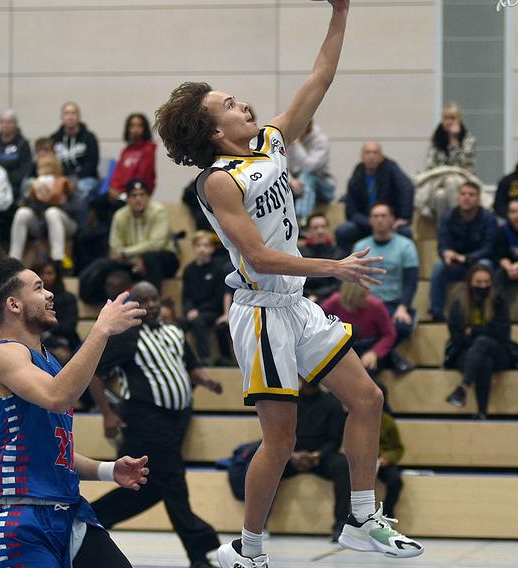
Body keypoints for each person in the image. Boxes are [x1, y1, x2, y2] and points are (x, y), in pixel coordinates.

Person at [154, 1, 424, 564]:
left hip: (297, 305)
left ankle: (361, 517)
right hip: (259, 312)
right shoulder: (218, 182)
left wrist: (340, 12)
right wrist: (336, 267)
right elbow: (256, 257)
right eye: (229, 104)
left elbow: (321, 75)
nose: (243, 104)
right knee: (281, 440)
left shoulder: (273, 142)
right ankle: (249, 550)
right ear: (213, 130)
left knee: (368, 398)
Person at [0, 236, 147, 567]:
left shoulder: (47, 362)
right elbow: (58, 397)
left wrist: (107, 470)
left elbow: (53, 450)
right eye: (39, 288)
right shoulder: (2, 355)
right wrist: (99, 331)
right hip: (20, 521)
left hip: (68, 513)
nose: (50, 293)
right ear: (14, 304)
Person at [88, 282, 224, 568]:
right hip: (145, 417)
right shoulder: (127, 337)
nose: (150, 305)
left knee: (148, 486)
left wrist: (206, 381)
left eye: (154, 299)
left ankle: (90, 519)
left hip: (177, 420)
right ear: (133, 306)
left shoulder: (174, 331)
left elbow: (188, 364)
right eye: (143, 300)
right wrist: (108, 414)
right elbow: (95, 374)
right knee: (173, 481)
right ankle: (200, 549)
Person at [79, 179, 179, 305]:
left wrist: (127, 253)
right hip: (131, 261)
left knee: (150, 258)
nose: (138, 199)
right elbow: (115, 248)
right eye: (134, 195)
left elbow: (156, 244)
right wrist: (131, 258)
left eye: (142, 195)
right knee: (101, 265)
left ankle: (152, 303)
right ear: (127, 199)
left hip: (164, 259)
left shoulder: (158, 211)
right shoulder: (120, 215)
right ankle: (96, 301)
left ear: (148, 197)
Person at [443, 264, 518, 419]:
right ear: (470, 283)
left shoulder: (498, 300)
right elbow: (457, 337)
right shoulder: (459, 304)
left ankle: (463, 388)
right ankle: (482, 412)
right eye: (479, 282)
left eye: (486, 282)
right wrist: (485, 331)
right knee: (483, 360)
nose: (483, 286)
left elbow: (502, 334)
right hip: (466, 352)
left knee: (483, 342)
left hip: (498, 350)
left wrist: (473, 331)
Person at [354, 202, 419, 373]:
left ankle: (374, 352)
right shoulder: (361, 247)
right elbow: (354, 281)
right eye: (376, 216)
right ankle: (390, 357)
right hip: (367, 305)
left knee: (402, 326)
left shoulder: (406, 246)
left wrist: (403, 307)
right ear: (370, 220)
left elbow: (411, 281)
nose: (380, 220)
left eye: (384, 216)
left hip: (394, 304)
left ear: (392, 219)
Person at [284, 380, 350, 542]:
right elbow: (277, 433)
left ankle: (340, 524)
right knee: (267, 465)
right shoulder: (287, 401)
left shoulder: (332, 403)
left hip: (321, 457)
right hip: (289, 455)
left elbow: (335, 439)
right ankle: (259, 525)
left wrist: (316, 455)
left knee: (343, 465)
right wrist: (292, 455)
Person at [429, 181, 498, 321]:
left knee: (487, 264)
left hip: (477, 263)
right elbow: (442, 244)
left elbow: (489, 248)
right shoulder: (448, 217)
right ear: (458, 198)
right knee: (439, 267)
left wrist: (467, 258)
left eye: (471, 195)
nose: (466, 198)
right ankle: (437, 313)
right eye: (463, 194)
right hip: (456, 264)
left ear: (479, 199)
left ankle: (489, 312)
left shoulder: (488, 218)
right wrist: (446, 253)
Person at [335, 142, 414, 252]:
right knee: (343, 231)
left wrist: (404, 217)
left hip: (389, 222)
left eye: (375, 153)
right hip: (365, 222)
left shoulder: (391, 168)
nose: (372, 156)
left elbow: (407, 188)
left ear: (382, 156)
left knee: (406, 231)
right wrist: (370, 222)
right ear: (362, 157)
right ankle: (348, 266)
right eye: (368, 153)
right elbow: (351, 212)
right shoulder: (357, 174)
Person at [8, 153, 77, 266]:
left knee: (52, 212)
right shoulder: (33, 183)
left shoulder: (67, 181)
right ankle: (13, 261)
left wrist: (62, 203)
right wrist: (35, 196)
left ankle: (57, 259)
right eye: (40, 166)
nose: (42, 169)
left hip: (66, 222)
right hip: (40, 222)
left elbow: (80, 208)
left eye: (47, 166)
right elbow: (23, 204)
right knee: (22, 213)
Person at [415, 103, 479, 220]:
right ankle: (446, 230)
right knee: (440, 195)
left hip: (461, 180)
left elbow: (466, 165)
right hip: (438, 180)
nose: (449, 122)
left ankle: (458, 222)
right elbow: (431, 165)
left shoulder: (468, 139)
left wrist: (454, 141)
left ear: (459, 120)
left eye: (452, 118)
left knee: (449, 184)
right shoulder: (436, 139)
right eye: (446, 118)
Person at [320, 283, 397, 380]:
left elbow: (389, 334)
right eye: (362, 296)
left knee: (367, 368)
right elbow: (318, 319)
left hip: (367, 346)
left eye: (368, 294)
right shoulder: (335, 301)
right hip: (342, 345)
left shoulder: (376, 306)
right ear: (351, 297)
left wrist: (375, 352)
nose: (367, 298)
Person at [181, 231, 232, 365]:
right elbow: (186, 296)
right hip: (194, 310)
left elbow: (218, 297)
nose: (202, 249)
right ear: (193, 248)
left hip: (213, 310)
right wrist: (189, 309)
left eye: (205, 245)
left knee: (199, 320)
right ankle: (185, 359)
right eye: (198, 245)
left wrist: (198, 311)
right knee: (178, 325)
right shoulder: (188, 270)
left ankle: (205, 358)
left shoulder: (219, 268)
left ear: (212, 248)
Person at [52, 101, 100, 213]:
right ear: (62, 117)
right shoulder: (54, 139)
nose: (70, 117)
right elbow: (52, 165)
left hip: (85, 178)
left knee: (81, 191)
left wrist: (74, 179)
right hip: (62, 179)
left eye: (73, 113)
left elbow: (92, 164)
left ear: (79, 117)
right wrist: (64, 181)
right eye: (67, 113)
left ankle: (81, 227)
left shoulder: (89, 137)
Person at [287, 120, 335, 222]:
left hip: (323, 185)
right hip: (296, 184)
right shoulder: (286, 139)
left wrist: (297, 144)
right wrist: (291, 180)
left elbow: (309, 167)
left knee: (306, 176)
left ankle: (302, 221)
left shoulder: (320, 140)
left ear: (307, 127)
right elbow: (280, 165)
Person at [34, 260, 81, 364]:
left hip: (63, 341)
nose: (46, 277)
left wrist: (49, 331)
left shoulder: (68, 298)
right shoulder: (31, 299)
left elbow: (69, 326)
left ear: (57, 275)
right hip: (37, 341)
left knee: (62, 356)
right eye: (42, 273)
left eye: (50, 273)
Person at [297, 213, 345, 303]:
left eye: (323, 227)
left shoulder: (338, 253)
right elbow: (296, 281)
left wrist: (318, 295)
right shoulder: (299, 253)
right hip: (302, 297)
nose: (320, 231)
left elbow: (338, 284)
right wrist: (309, 295)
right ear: (308, 230)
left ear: (328, 228)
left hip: (329, 299)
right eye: (315, 227)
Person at [108, 113, 157, 198]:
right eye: (132, 126)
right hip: (119, 192)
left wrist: (121, 192)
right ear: (128, 129)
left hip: (135, 193)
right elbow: (117, 173)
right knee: (97, 203)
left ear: (145, 129)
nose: (135, 129)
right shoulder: (125, 151)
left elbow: (143, 177)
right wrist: (113, 188)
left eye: (139, 125)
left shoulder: (148, 150)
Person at [0, 109, 33, 202]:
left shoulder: (23, 144)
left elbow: (25, 170)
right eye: (2, 122)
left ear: (16, 124)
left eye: (9, 122)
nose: (5, 125)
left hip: (13, 187)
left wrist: (3, 180)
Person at [376, 408, 404, 519]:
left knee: (396, 481)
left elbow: (398, 449)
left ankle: (386, 515)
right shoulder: (356, 419)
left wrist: (388, 457)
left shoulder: (387, 421)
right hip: (360, 462)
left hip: (382, 463)